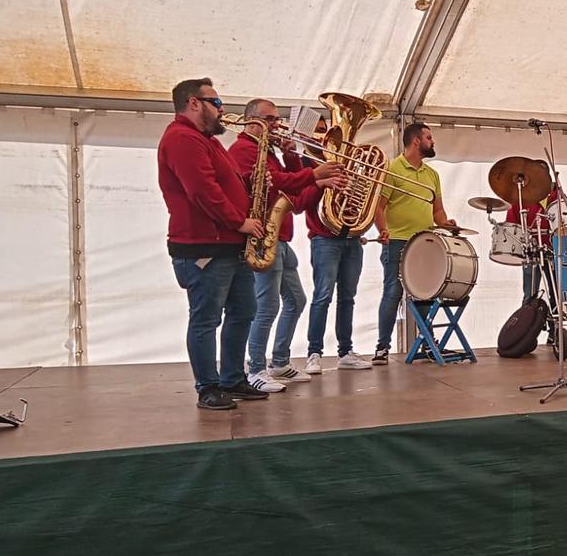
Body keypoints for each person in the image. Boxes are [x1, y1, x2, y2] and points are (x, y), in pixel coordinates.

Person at [157, 78, 267, 411]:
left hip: (229, 245)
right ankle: (207, 386)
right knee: (206, 319)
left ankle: (233, 378)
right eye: (216, 103)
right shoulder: (182, 139)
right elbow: (202, 192)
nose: (222, 110)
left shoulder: (207, 140)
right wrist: (239, 221)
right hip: (205, 246)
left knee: (244, 311)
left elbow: (226, 183)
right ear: (194, 103)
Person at [228, 99, 346, 391]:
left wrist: (292, 158)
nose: (277, 125)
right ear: (252, 120)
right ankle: (255, 368)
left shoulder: (268, 151)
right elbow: (282, 184)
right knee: (265, 306)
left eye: (276, 119)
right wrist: (315, 175)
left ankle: (279, 362)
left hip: (279, 235)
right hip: (262, 237)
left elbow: (292, 196)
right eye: (270, 119)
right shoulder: (244, 150)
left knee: (296, 300)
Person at [372, 122, 458, 363]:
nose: (433, 141)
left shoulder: (432, 175)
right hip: (398, 241)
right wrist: (383, 231)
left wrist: (446, 223)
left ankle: (429, 343)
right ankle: (382, 347)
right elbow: (379, 207)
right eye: (429, 137)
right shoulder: (391, 169)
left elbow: (437, 212)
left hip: (425, 242)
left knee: (426, 294)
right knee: (392, 292)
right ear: (416, 141)